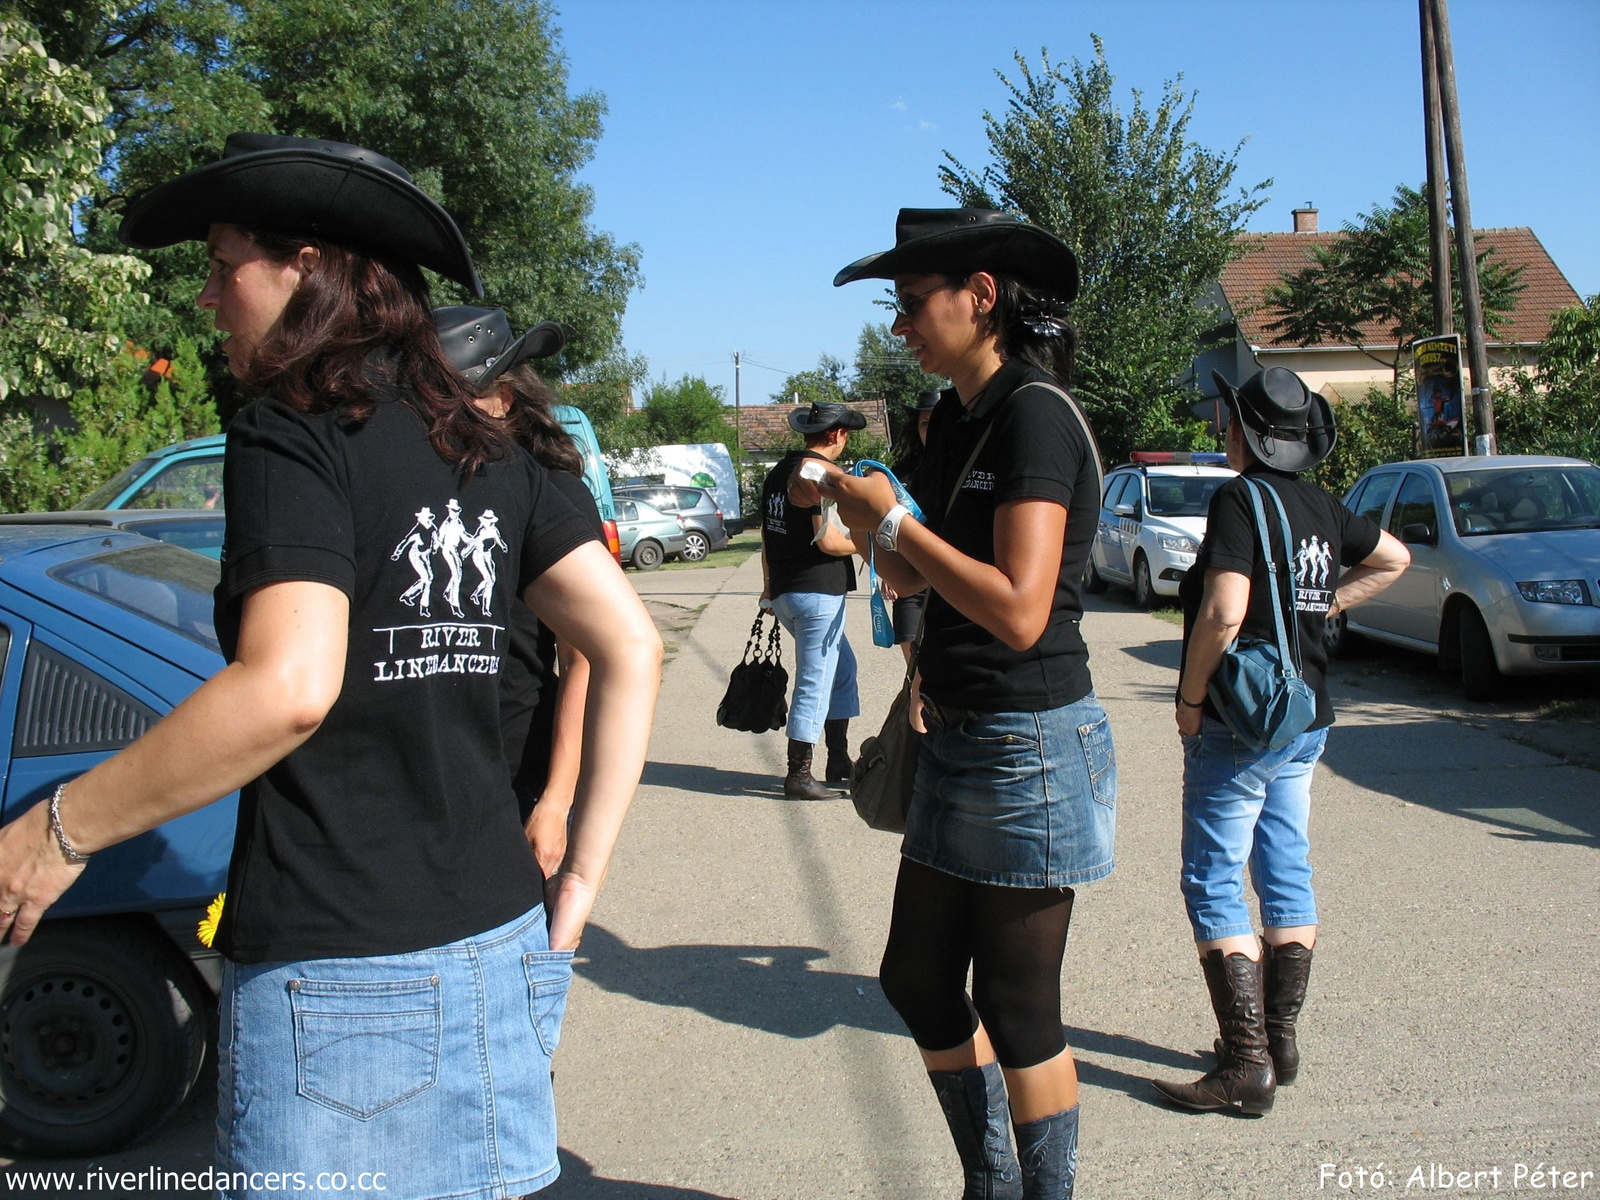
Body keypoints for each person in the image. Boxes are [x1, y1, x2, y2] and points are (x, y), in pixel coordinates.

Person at [0, 133, 662, 1200]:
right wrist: (577, 883)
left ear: (305, 262)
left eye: (224, 266)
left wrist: (54, 833)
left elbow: (288, 688)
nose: (209, 298)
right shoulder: (482, 436)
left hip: (339, 980)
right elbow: (629, 644)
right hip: (501, 944)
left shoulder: (295, 426)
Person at [802, 207, 1113, 1199]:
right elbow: (913, 582)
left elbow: (1020, 610)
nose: (900, 327)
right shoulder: (958, 423)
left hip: (1029, 740)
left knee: (1020, 1011)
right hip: (958, 735)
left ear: (981, 297)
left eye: (910, 305)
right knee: (916, 980)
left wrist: (891, 518)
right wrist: (867, 524)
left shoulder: (1034, 414)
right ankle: (991, 1179)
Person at [1152, 367, 1408, 1116]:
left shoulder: (1239, 497)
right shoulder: (1322, 504)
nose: (1221, 431)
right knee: (1285, 865)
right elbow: (1394, 558)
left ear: (1245, 433)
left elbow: (1224, 613)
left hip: (1240, 721)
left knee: (1213, 878)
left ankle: (1246, 1063)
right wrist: (1325, 607)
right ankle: (1280, 1041)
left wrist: (1191, 699)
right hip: (1306, 720)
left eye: (1228, 421)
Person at [436, 304, 607, 880]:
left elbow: (584, 656)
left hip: (519, 765)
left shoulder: (554, 496)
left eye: (451, 398)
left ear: (503, 401)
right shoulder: (442, 488)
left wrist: (556, 802)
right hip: (445, 764)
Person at [759, 400, 866, 800]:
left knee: (842, 669)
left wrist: (769, 588)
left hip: (789, 590)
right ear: (837, 435)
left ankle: (838, 758)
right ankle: (799, 774)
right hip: (817, 591)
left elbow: (769, 538)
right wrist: (866, 543)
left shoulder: (777, 473)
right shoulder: (820, 473)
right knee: (815, 681)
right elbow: (829, 540)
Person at [888, 388, 944, 733]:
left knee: (941, 668)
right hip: (911, 579)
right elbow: (884, 526)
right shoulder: (901, 474)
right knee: (916, 671)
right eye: (925, 422)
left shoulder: (966, 467)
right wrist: (886, 571)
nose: (931, 429)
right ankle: (916, 745)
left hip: (951, 581)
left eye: (937, 422)